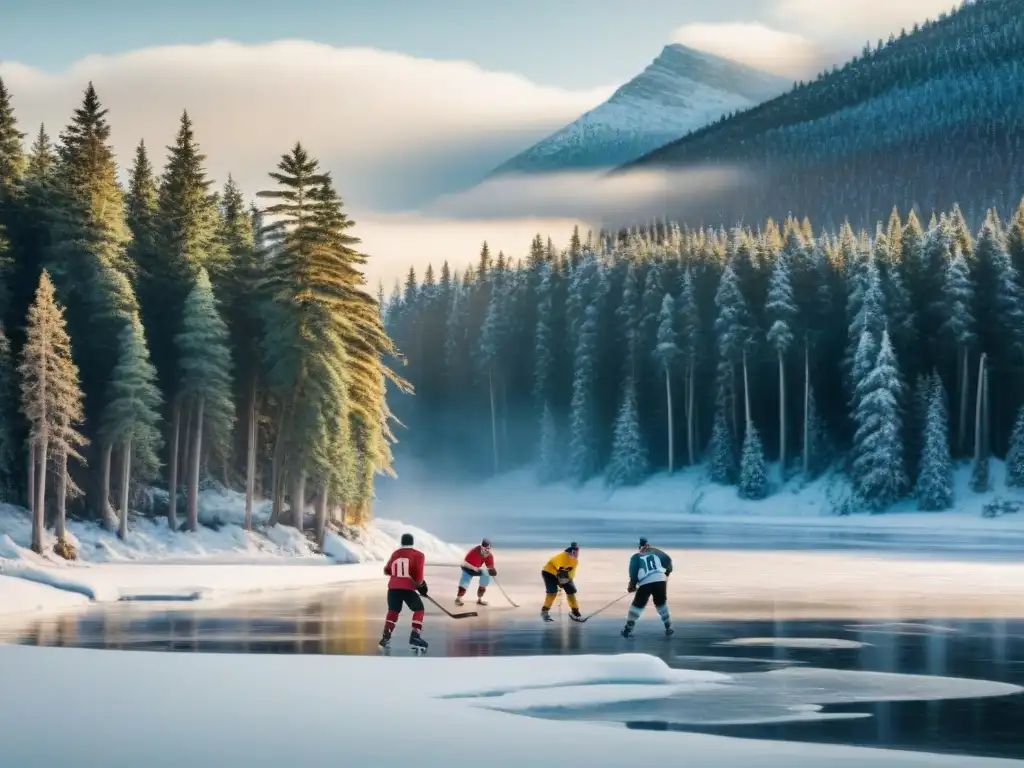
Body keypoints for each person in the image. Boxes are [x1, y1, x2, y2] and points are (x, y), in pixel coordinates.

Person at [380, 532, 429, 650]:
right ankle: (415, 636)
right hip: (407, 588)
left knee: (393, 611)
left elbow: (387, 570)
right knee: (419, 609)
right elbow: (418, 576)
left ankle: (385, 638)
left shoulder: (395, 554)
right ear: (412, 543)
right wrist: (421, 585)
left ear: (401, 542)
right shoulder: (419, 555)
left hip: (393, 588)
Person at [621, 537, 674, 638]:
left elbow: (633, 573)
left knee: (637, 605)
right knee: (661, 604)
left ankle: (628, 629)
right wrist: (667, 572)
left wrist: (631, 586)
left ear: (640, 546)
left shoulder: (636, 557)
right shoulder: (657, 552)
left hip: (645, 582)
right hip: (660, 580)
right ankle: (668, 626)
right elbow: (668, 560)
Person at [541, 542, 582, 622]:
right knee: (552, 592)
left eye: (577, 552)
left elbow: (571, 574)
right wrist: (560, 579)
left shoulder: (575, 561)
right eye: (574, 553)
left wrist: (569, 584)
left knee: (570, 591)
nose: (576, 555)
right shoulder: (562, 557)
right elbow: (555, 565)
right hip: (549, 573)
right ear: (569, 552)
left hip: (562, 575)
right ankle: (545, 611)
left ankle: (575, 611)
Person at [456, 538, 497, 606]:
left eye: (488, 548)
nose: (486, 550)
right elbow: (464, 563)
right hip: (467, 568)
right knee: (465, 580)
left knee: (486, 575)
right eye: (485, 548)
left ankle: (479, 599)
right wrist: (473, 568)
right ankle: (458, 598)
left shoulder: (489, 555)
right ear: (481, 547)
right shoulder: (474, 551)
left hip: (476, 569)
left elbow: (490, 565)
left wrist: (492, 570)